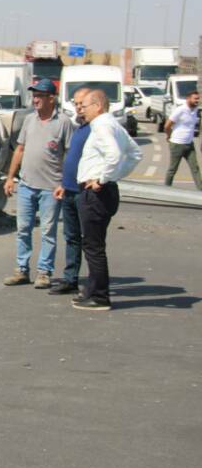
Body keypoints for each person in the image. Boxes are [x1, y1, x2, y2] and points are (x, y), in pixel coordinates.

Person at [73, 89, 142, 311]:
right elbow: (135, 153)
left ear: (98, 106)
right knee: (93, 244)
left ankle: (100, 296)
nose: (81, 109)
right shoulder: (113, 125)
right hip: (103, 191)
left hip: (96, 193)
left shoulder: (102, 125)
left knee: (93, 247)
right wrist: (115, 175)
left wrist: (103, 178)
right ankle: (93, 291)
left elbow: (114, 154)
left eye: (85, 105)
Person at [2, 79, 74, 290]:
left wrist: (64, 182)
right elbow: (20, 150)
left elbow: (70, 154)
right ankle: (22, 269)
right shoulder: (30, 120)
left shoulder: (63, 122)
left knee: (47, 230)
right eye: (34, 96)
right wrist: (10, 177)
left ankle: (44, 272)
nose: (35, 100)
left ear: (51, 98)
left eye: (40, 96)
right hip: (26, 185)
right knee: (23, 228)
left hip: (51, 188)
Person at [50, 87, 92, 295]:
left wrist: (101, 178)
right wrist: (63, 185)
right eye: (75, 103)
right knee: (71, 236)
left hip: (86, 193)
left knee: (91, 240)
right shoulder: (80, 128)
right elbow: (71, 157)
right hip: (69, 190)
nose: (77, 107)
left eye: (81, 103)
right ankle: (70, 278)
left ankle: (94, 283)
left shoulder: (98, 128)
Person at [162, 89, 201, 190]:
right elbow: (167, 125)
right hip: (177, 144)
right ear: (188, 99)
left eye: (198, 99)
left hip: (189, 144)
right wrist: (169, 136)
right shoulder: (180, 110)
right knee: (172, 169)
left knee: (195, 168)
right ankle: (166, 189)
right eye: (195, 99)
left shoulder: (195, 109)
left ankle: (200, 190)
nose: (197, 101)